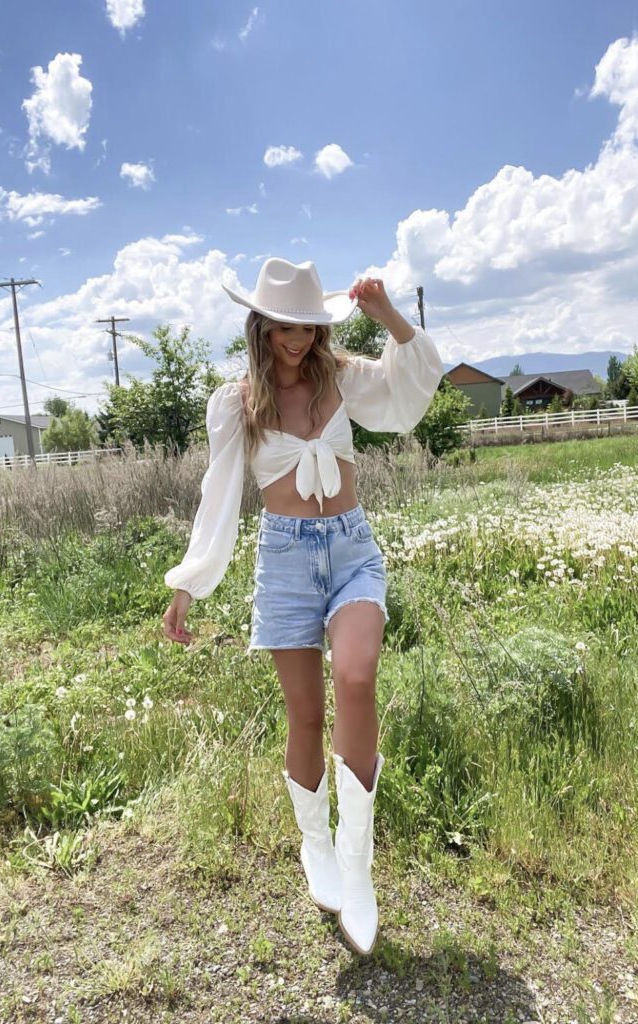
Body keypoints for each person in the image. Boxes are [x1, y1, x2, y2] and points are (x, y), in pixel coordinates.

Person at [162, 257, 444, 955]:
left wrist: (388, 317)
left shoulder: (343, 377)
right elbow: (219, 493)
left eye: (309, 327)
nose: (297, 339)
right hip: (285, 562)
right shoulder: (236, 403)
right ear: (261, 325)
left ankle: (358, 864)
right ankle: (315, 845)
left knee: (356, 676)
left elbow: (412, 393)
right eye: (286, 327)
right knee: (306, 713)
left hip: (351, 551)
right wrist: (189, 583)